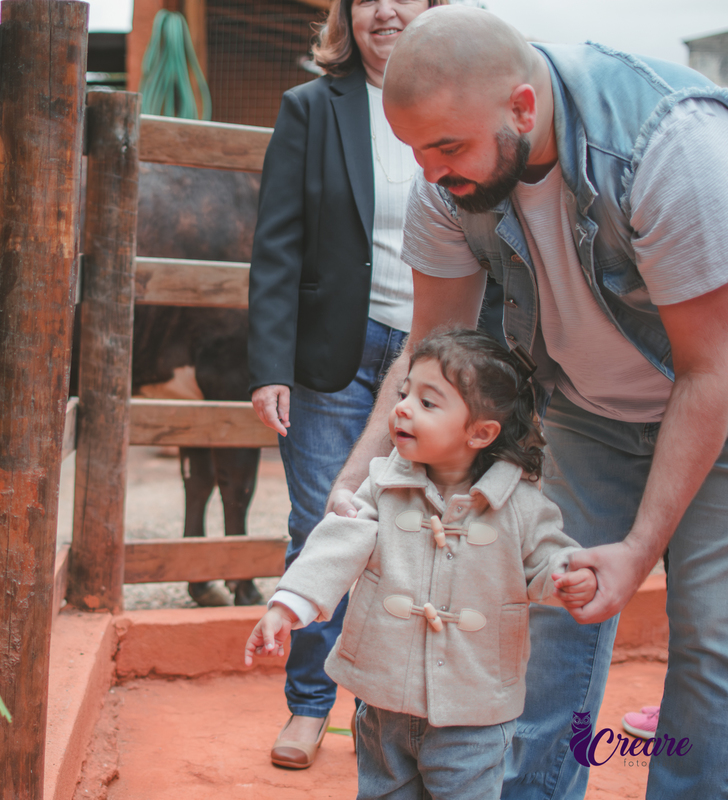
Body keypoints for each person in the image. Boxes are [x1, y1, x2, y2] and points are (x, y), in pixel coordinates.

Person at [324, 6, 728, 798]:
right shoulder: (448, 176)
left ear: (522, 108)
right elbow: (429, 350)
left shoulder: (671, 149)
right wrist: (359, 477)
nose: (432, 174)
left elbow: (710, 369)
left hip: (719, 403)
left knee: (713, 640)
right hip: (589, 410)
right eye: (416, 151)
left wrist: (640, 549)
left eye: (447, 148)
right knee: (547, 620)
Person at [246, 328, 598, 799]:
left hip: (474, 710)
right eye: (404, 392)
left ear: (481, 432)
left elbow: (548, 560)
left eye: (428, 403)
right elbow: (336, 546)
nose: (403, 408)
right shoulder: (383, 484)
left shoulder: (521, 506)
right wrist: (286, 607)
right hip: (384, 703)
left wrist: (566, 577)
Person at [247, 0, 445, 768]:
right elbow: (276, 245)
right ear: (347, 13)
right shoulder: (311, 109)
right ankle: (308, 706)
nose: (386, 10)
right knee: (320, 524)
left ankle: (381, 711)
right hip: (331, 354)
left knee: (408, 536)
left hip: (432, 356)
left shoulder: (453, 100)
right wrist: (270, 366)